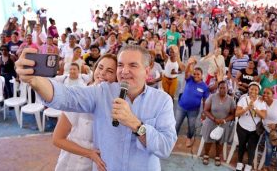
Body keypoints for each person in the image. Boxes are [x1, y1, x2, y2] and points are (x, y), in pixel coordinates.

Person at [15, 45, 177, 170]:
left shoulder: (162, 101)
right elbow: (67, 97)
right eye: (120, 65)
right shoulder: (102, 92)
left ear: (147, 70)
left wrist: (136, 125)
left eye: (133, 65)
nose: (124, 71)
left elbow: (165, 147)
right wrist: (35, 81)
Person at [53, 54, 117, 171]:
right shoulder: (79, 96)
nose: (102, 73)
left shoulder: (116, 105)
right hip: (72, 164)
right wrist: (89, 153)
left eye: (110, 71)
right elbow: (57, 139)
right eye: (100, 67)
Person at [175, 58, 209, 147]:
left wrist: (204, 112)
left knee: (191, 126)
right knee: (177, 124)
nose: (196, 75)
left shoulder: (205, 87)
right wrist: (189, 64)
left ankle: (189, 138)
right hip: (181, 107)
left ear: (202, 75)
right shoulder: (190, 79)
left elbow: (205, 101)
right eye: (194, 74)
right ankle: (172, 138)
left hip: (193, 111)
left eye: (198, 74)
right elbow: (186, 73)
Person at [201, 81, 235, 166]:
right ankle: (206, 154)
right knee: (208, 140)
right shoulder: (212, 97)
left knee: (220, 141)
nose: (223, 90)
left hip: (224, 123)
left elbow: (233, 114)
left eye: (224, 88)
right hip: (211, 122)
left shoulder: (231, 100)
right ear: (218, 89)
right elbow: (205, 110)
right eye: (221, 88)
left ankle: (217, 156)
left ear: (227, 89)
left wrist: (224, 120)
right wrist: (214, 119)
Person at [234, 82, 267, 171]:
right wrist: (247, 108)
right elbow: (236, 114)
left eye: (256, 90)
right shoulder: (243, 99)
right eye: (251, 89)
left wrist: (254, 108)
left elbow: (263, 116)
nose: (253, 91)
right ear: (248, 89)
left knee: (252, 148)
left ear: (258, 91)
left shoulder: (262, 101)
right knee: (241, 145)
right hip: (242, 127)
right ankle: (240, 163)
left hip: (254, 130)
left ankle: (249, 165)